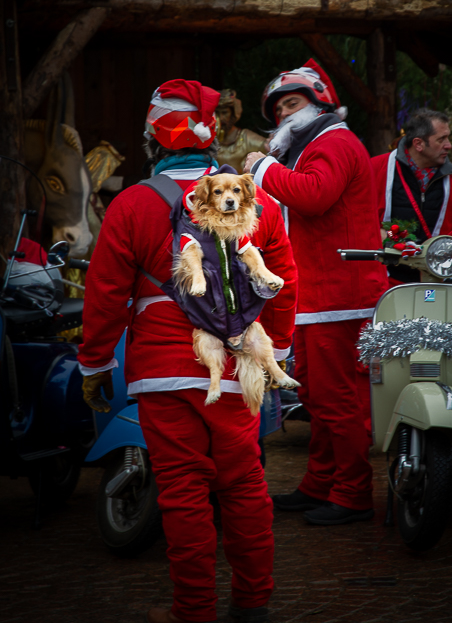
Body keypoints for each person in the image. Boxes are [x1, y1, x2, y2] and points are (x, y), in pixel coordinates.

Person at [77, 79, 297, 623]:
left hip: (162, 371)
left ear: (154, 139)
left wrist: (95, 365)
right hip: (238, 365)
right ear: (211, 133)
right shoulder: (254, 200)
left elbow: (105, 295)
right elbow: (283, 283)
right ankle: (252, 604)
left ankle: (193, 611)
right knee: (244, 485)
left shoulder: (131, 204)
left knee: (182, 491)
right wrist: (280, 352)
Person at [243, 59, 388, 527]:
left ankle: (352, 493)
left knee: (335, 399)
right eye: (279, 108)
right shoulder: (313, 147)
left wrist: (263, 167)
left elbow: (314, 196)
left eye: (293, 103)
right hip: (320, 295)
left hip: (338, 296)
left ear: (318, 103)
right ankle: (321, 483)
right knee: (318, 396)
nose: (284, 114)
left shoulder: (335, 141)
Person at [371, 108, 452, 285]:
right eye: (441, 139)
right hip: (385, 280)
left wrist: (448, 247)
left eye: (448, 137)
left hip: (439, 281)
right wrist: (382, 236)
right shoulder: (376, 169)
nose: (449, 145)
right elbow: (356, 220)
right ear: (418, 144)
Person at [216, 89, 269, 173]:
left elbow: (269, 155)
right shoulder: (209, 140)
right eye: (217, 113)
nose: (221, 118)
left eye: (225, 112)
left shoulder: (249, 140)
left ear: (233, 113)